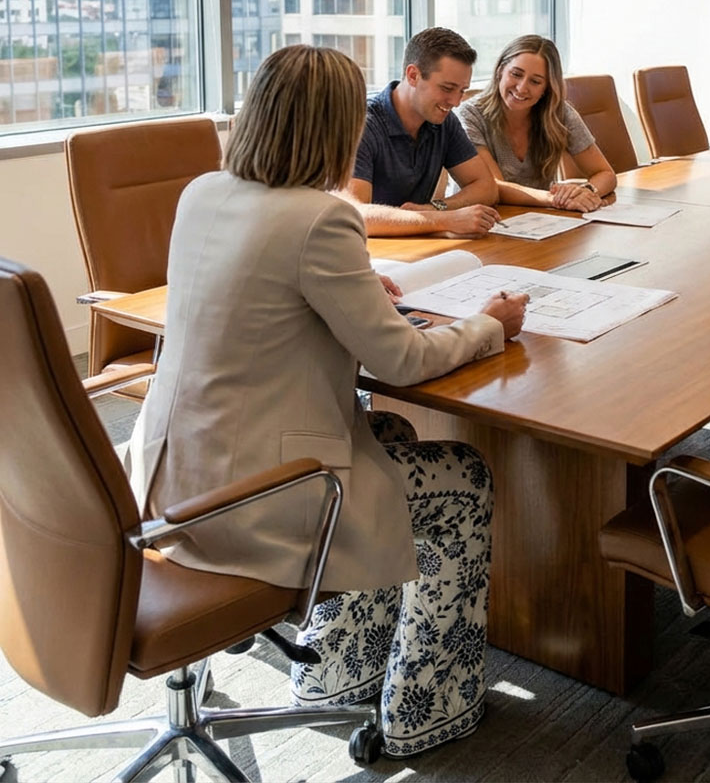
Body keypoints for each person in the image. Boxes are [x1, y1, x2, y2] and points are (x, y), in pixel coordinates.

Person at [127, 44, 528, 757]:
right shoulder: (320, 219)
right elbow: (401, 358)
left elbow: (256, 289)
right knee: (464, 480)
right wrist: (488, 326)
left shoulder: (203, 193)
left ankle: (341, 672)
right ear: (334, 129)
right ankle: (427, 708)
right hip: (252, 497)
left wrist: (349, 288)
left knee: (392, 436)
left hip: (167, 476)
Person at [345, 27, 501, 237]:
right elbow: (356, 214)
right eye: (447, 88)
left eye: (462, 91)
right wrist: (445, 220)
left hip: (418, 249)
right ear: (413, 75)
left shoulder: (444, 122)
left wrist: (436, 208)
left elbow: (486, 187)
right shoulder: (361, 124)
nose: (455, 102)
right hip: (369, 254)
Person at [457, 35, 617, 212]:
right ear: (500, 71)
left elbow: (606, 174)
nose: (521, 88)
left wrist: (586, 191)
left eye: (535, 81)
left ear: (546, 88)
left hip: (539, 221)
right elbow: (492, 187)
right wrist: (555, 198)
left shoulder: (559, 113)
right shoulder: (470, 114)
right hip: (480, 220)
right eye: (516, 74)